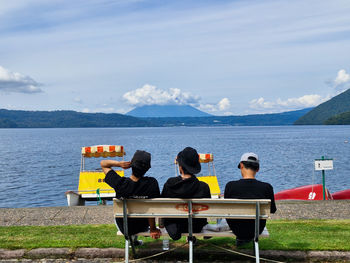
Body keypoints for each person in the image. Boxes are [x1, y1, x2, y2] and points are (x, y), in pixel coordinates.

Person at [101, 150, 161, 241]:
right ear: (148, 168)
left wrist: (119, 164)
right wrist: (152, 228)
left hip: (124, 227)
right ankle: (135, 241)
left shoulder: (120, 183)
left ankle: (133, 242)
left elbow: (103, 164)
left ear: (131, 164)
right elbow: (151, 209)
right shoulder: (152, 183)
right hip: (142, 225)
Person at [224, 152, 277, 246]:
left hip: (236, 228)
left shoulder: (230, 186)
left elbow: (226, 209)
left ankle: (241, 241)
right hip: (257, 229)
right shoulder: (267, 187)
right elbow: (272, 210)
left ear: (241, 165)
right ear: (258, 169)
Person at [161, 147, 211, 241]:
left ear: (180, 167)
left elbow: (162, 207)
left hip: (175, 226)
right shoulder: (203, 187)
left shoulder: (170, 184)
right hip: (196, 227)